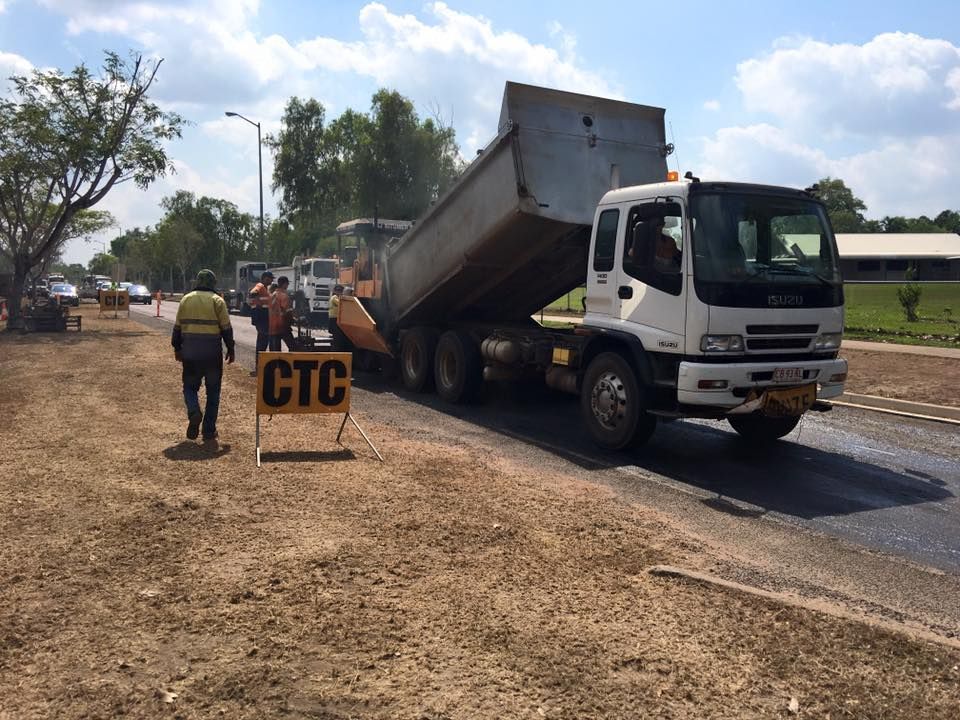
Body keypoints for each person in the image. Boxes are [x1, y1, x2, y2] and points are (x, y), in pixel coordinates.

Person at [172, 269, 235, 443]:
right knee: (213, 392)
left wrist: (177, 348)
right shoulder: (217, 301)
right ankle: (208, 430)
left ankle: (194, 411)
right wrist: (231, 348)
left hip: (190, 353)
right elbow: (226, 329)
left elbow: (177, 328)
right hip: (212, 355)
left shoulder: (186, 299)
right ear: (213, 284)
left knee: (190, 388)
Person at [248, 270, 273, 374]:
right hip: (261, 318)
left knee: (263, 343)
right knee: (262, 344)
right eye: (270, 278)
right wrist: (257, 305)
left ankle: (260, 368)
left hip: (263, 318)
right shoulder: (260, 285)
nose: (271, 280)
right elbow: (253, 292)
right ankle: (259, 369)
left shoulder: (266, 288)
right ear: (264, 278)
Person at [268, 275, 296, 351]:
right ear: (284, 284)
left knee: (275, 350)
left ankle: (275, 362)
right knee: (293, 347)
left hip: (272, 325)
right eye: (287, 284)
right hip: (282, 325)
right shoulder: (284, 296)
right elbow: (287, 312)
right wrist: (293, 320)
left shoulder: (272, 295)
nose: (287, 286)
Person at [328, 283, 346, 350]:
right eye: (339, 291)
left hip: (335, 318)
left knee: (337, 334)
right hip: (334, 318)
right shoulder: (334, 298)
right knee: (336, 334)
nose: (340, 292)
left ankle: (335, 346)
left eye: (341, 291)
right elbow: (340, 304)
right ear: (335, 291)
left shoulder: (335, 297)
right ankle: (335, 348)